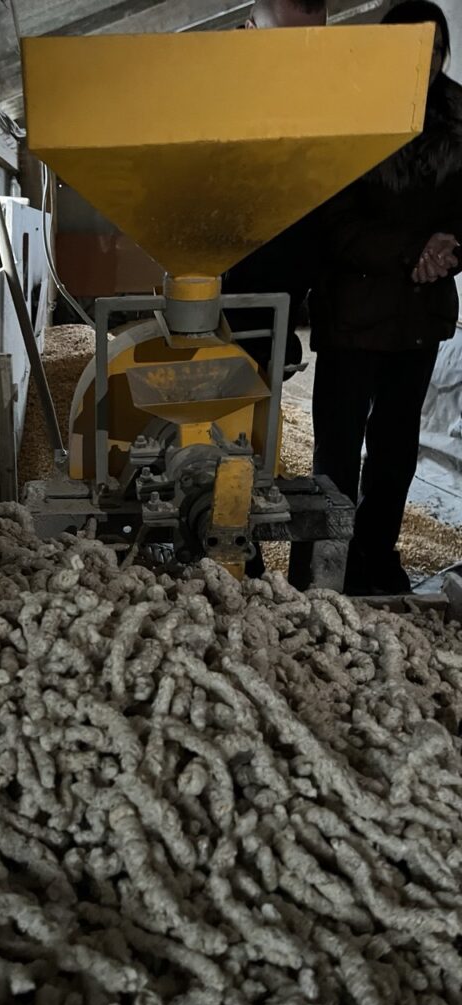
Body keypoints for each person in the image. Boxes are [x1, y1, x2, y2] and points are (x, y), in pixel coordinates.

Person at [310, 1, 462, 596]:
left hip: (420, 313)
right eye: (416, 48)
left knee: (396, 449)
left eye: (437, 51)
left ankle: (375, 555)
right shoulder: (349, 114)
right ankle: (324, 564)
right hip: (354, 310)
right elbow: (331, 219)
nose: (427, 62)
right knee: (337, 450)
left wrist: (450, 249)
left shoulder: (458, 118)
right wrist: (411, 250)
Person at [225, 0, 328, 579]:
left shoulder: (315, 104)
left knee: (256, 432)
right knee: (224, 426)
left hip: (277, 303)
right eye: (286, 41)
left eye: (311, 43)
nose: (299, 57)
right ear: (250, 30)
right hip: (225, 291)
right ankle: (233, 550)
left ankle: (246, 552)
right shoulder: (219, 89)